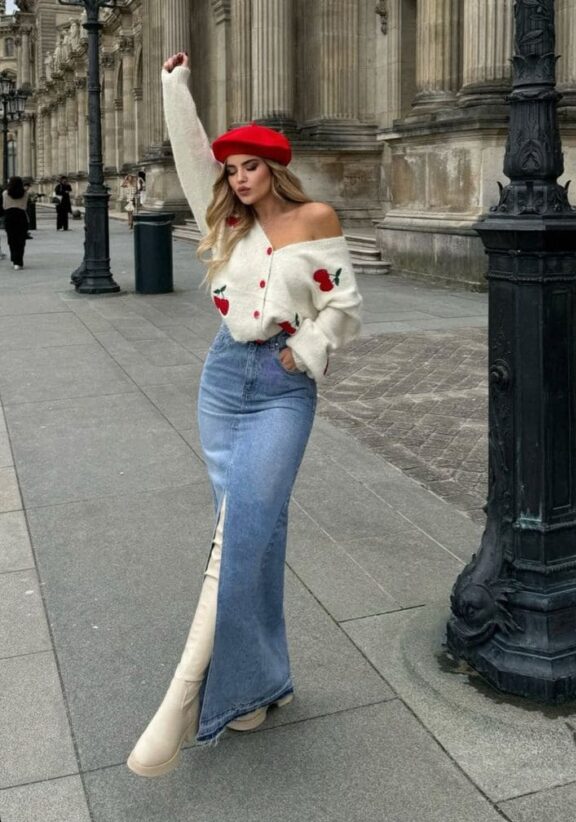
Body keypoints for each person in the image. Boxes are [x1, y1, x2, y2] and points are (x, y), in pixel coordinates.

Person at [127, 51, 363, 778]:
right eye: (230, 170)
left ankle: (193, 696)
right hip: (226, 379)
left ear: (274, 168)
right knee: (249, 538)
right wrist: (175, 89)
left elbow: (344, 303)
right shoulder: (224, 221)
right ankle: (259, 685)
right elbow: (193, 156)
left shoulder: (314, 219)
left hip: (284, 385)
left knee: (244, 533)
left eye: (249, 167)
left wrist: (308, 349)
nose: (236, 177)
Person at [2, 176, 30, 270]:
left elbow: (4, 206)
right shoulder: (25, 194)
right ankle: (19, 261)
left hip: (9, 216)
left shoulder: (5, 193)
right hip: (21, 216)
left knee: (12, 239)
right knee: (21, 240)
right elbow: (25, 206)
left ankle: (14, 260)